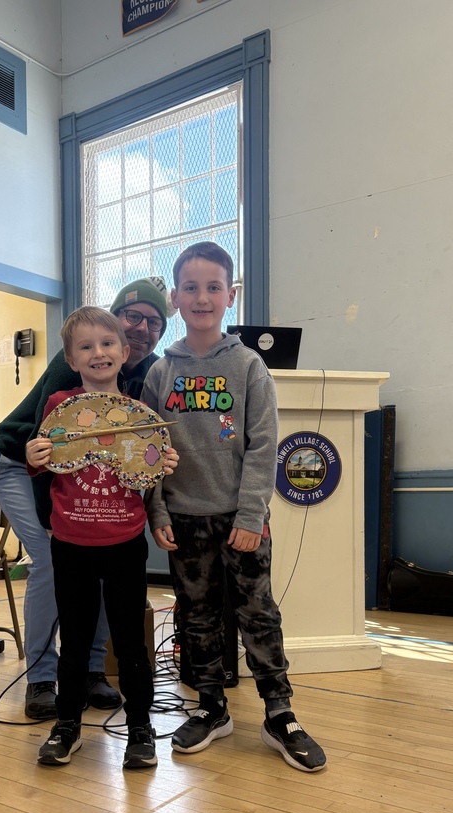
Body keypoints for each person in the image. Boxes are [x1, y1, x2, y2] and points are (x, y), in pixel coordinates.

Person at [142, 242, 327, 772]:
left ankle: (279, 713)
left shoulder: (249, 366)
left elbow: (263, 446)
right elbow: (148, 449)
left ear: (231, 295)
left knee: (257, 614)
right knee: (196, 617)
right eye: (192, 288)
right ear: (176, 296)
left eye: (214, 287)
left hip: (240, 521)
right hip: (182, 518)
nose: (203, 297)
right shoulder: (162, 373)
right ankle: (212, 707)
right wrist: (157, 512)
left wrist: (250, 517)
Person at [0, 276, 173, 720]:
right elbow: (42, 442)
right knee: (53, 559)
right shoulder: (77, 363)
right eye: (133, 317)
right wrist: (52, 516)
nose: (142, 328)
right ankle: (41, 678)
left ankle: (91, 671)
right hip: (20, 460)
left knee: (102, 559)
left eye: (155, 321)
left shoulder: (144, 372)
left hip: (80, 477)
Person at [26, 306, 178, 770]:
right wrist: (33, 455)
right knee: (73, 640)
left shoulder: (140, 413)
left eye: (107, 344)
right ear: (71, 359)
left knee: (130, 641)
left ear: (125, 351)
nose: (99, 353)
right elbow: (40, 463)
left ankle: (140, 728)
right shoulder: (57, 406)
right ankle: (67, 725)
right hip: (71, 541)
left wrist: (162, 466)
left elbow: (150, 474)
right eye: (86, 347)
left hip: (125, 541)